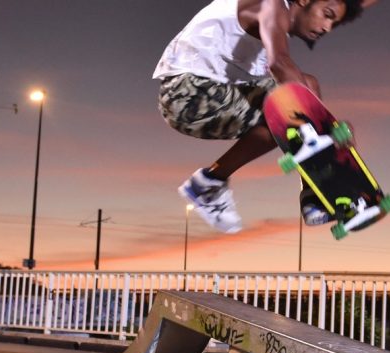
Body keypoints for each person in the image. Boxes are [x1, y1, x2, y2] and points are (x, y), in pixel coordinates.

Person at [156, 0, 373, 233]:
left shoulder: (276, 17)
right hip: (188, 94)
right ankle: (311, 191)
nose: (327, 28)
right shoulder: (271, 5)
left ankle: (211, 182)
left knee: (303, 91)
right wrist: (324, 123)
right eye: (327, 15)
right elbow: (279, 63)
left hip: (201, 94)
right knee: (288, 105)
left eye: (333, 22)